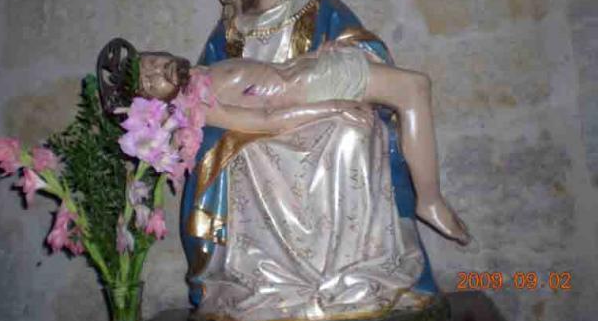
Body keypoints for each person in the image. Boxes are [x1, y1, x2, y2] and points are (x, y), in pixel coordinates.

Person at [177, 0, 462, 321]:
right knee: (247, 154)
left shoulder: (318, 5)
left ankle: (358, 271)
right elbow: (201, 99)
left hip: (322, 112)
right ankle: (270, 283)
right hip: (259, 128)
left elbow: (370, 54)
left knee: (354, 131)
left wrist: (341, 53)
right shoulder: (230, 31)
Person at [139, 48, 469, 247]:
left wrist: (311, 57)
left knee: (414, 86)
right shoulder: (200, 105)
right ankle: (429, 200)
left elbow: (269, 71)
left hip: (315, 70)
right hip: (319, 88)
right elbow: (268, 119)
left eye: (152, 61)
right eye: (150, 81)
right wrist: (334, 107)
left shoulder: (204, 73)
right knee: (413, 87)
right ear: (154, 103)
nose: (156, 70)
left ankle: (430, 199)